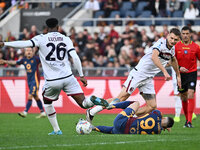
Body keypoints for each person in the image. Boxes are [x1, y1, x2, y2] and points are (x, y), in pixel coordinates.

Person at [0, 18, 108, 135]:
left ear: (46, 28)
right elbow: (75, 58)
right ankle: (91, 100)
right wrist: (81, 75)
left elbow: (25, 43)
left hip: (53, 80)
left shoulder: (41, 38)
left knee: (47, 102)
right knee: (83, 103)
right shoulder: (66, 39)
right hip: (68, 77)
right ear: (58, 27)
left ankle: (57, 130)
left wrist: (5, 43)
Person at [86, 28, 181, 123]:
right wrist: (164, 71)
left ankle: (128, 118)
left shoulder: (172, 49)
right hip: (138, 74)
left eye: (175, 39)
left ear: (178, 40)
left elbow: (173, 60)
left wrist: (178, 76)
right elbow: (154, 56)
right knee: (120, 99)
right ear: (168, 36)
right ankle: (92, 111)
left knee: (151, 106)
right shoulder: (160, 44)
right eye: (171, 38)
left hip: (148, 79)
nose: (173, 41)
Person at [0, 48, 46, 118]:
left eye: (30, 51)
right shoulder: (23, 60)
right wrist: (5, 61)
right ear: (25, 52)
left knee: (30, 95)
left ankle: (25, 112)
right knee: (35, 96)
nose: (29, 52)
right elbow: (14, 62)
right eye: (27, 51)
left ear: (33, 52)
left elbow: (45, 60)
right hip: (29, 81)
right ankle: (42, 112)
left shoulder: (36, 59)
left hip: (35, 81)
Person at [91, 101, 174, 134]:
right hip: (123, 132)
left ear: (163, 118)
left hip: (121, 121)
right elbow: (160, 125)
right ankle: (93, 128)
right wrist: (164, 127)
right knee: (112, 130)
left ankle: (112, 105)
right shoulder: (157, 131)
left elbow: (157, 112)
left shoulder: (157, 114)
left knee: (136, 103)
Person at [175, 26, 200, 128]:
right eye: (183, 34)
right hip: (181, 75)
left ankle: (189, 121)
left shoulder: (196, 47)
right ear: (181, 34)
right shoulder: (176, 46)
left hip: (192, 73)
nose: (185, 35)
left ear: (190, 34)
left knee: (190, 93)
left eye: (187, 33)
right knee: (184, 97)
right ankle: (186, 120)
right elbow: (172, 61)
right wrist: (179, 68)